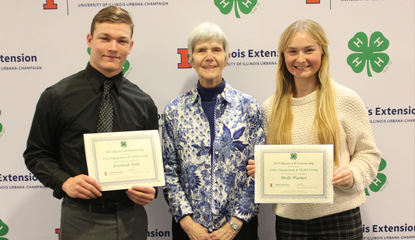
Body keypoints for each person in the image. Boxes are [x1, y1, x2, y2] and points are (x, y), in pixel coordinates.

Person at [24, 6, 158, 240]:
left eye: (121, 41)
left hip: (132, 219)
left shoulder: (143, 102)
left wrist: (151, 190)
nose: (113, 48)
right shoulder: (56, 96)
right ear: (89, 40)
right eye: (105, 38)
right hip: (80, 218)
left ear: (130, 47)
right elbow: (36, 154)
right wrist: (65, 181)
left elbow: (154, 163)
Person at [247, 19, 381, 240]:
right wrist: (261, 170)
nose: (301, 59)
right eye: (292, 51)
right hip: (290, 221)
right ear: (283, 57)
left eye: (309, 50)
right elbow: (275, 164)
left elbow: (368, 154)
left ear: (322, 53)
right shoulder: (270, 108)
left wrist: (354, 174)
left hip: (340, 216)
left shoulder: (346, 99)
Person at [162, 22, 265, 240]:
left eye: (216, 50)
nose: (209, 57)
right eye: (201, 50)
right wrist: (188, 224)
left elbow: (260, 170)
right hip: (188, 231)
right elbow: (168, 171)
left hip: (239, 230)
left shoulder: (248, 107)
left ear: (226, 57)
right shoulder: (174, 111)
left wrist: (235, 224)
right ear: (190, 59)